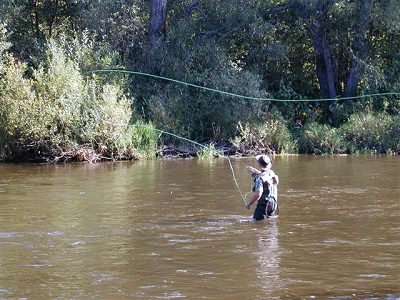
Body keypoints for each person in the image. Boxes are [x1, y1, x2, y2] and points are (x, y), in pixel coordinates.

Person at [245, 154, 279, 220]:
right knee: (267, 223)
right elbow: (264, 175)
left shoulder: (259, 179)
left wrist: (249, 204)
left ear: (259, 165)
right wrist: (255, 171)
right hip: (273, 205)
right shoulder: (271, 172)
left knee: (256, 224)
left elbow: (258, 194)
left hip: (264, 206)